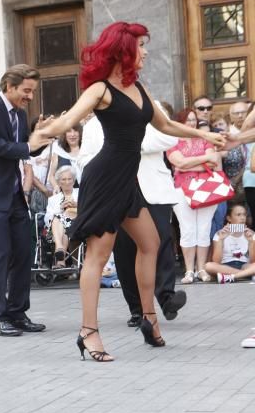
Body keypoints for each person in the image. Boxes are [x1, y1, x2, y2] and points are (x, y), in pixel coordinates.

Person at [30, 22, 224, 361]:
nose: (146, 51)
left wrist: (204, 137)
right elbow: (68, 122)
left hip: (128, 180)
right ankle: (88, 332)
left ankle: (149, 319)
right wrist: (39, 134)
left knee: (150, 244)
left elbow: (164, 125)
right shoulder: (100, 90)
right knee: (97, 256)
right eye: (140, 46)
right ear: (124, 50)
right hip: (104, 179)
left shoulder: (138, 87)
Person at [80, 100, 189, 327]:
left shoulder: (149, 105)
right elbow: (83, 159)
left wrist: (126, 144)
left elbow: (169, 136)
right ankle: (137, 310)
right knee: (125, 251)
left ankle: (167, 298)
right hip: (116, 191)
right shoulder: (92, 125)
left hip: (152, 191)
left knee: (161, 241)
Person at [0, 65, 53, 337]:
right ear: (9, 85)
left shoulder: (19, 113)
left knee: (24, 253)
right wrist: (29, 145)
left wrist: (39, 137)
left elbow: (23, 150)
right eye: (26, 90)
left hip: (16, 194)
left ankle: (18, 313)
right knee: (1, 255)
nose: (30, 96)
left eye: (32, 91)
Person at [167, 108, 221, 284]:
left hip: (206, 188)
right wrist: (202, 162)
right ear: (179, 122)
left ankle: (202, 269)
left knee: (204, 228)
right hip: (181, 189)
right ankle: (189, 270)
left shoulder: (205, 139)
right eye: (187, 120)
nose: (191, 123)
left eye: (193, 120)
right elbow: (178, 163)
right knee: (188, 229)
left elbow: (214, 161)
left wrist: (187, 165)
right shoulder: (172, 141)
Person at [203, 204, 255, 283]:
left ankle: (232, 277)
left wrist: (251, 242)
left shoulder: (251, 234)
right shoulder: (219, 234)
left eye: (244, 214)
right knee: (208, 266)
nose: (242, 217)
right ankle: (246, 275)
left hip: (244, 265)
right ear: (229, 218)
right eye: (238, 215)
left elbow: (252, 261)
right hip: (225, 266)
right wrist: (221, 240)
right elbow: (216, 261)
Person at [44, 166, 79, 265]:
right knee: (58, 218)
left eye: (69, 179)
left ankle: (60, 255)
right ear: (59, 182)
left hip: (77, 225)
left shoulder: (81, 194)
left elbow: (89, 210)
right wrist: (60, 208)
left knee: (62, 222)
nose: (67, 182)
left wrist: (77, 205)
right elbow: (47, 220)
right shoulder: (53, 199)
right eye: (64, 179)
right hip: (58, 229)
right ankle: (60, 252)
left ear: (73, 180)